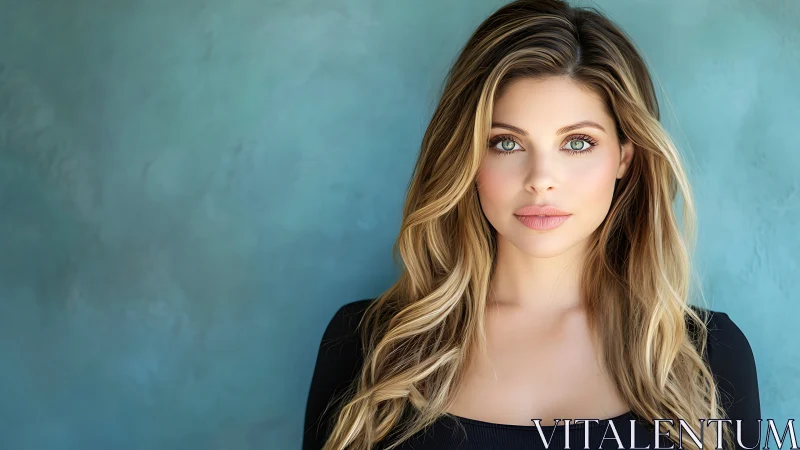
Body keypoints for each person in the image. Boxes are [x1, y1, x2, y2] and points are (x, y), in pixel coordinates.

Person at [303, 1, 761, 449]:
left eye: (578, 143)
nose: (541, 180)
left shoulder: (708, 360)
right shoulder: (367, 347)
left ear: (624, 157)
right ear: (467, 157)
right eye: (506, 143)